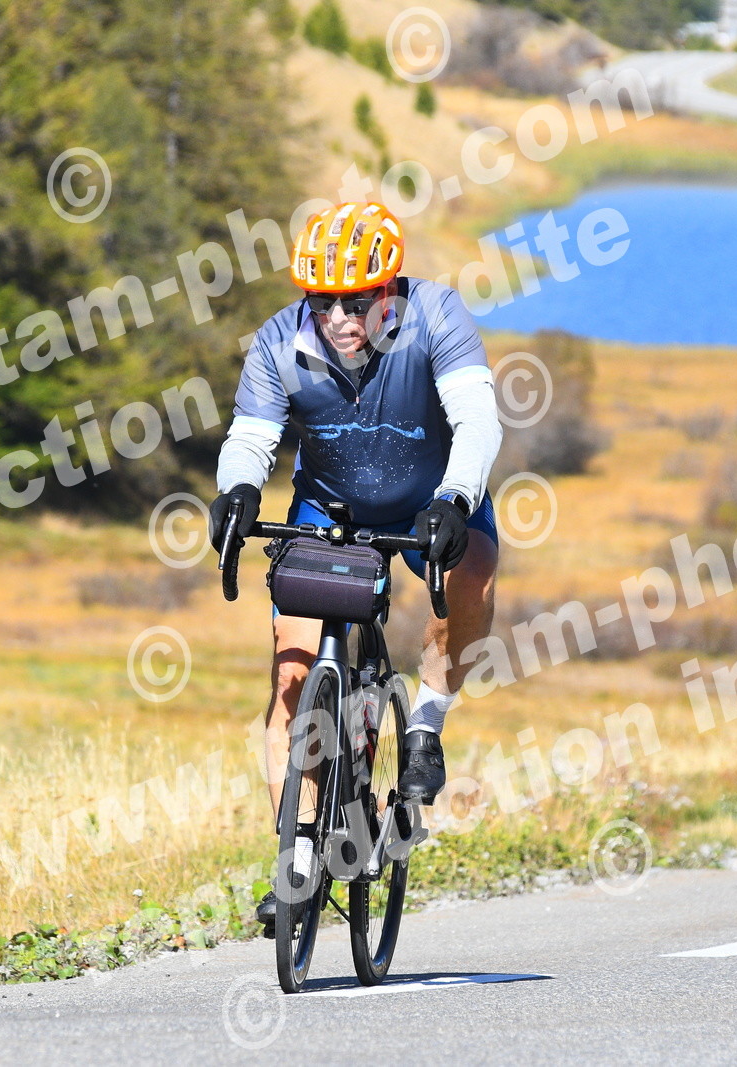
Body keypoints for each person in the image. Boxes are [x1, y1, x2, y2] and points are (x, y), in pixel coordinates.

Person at [207, 201, 503, 932]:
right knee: (292, 674)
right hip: (330, 510)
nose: (338, 316)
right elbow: (251, 436)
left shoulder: (436, 316)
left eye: (356, 299)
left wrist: (456, 499)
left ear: (388, 289)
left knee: (472, 578)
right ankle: (298, 858)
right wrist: (237, 491)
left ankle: (427, 720)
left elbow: (476, 420)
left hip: (434, 500)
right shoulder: (279, 340)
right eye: (323, 299)